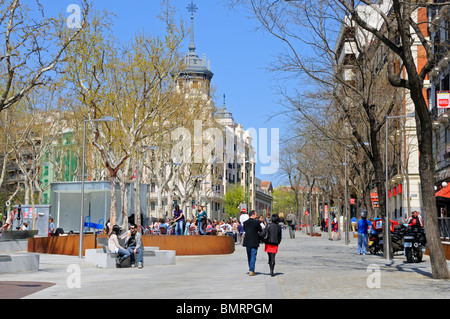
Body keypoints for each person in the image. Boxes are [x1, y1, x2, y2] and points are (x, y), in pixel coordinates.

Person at [243, 210, 262, 276]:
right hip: (254, 240)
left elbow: (245, 230)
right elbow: (260, 230)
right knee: (253, 255)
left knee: (249, 255)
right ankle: (251, 270)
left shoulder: (245, 222)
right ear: (253, 215)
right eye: (256, 214)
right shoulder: (256, 222)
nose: (257, 216)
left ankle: (250, 268)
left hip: (247, 241)